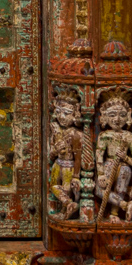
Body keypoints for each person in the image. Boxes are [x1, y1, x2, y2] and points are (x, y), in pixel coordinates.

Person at [95, 93, 132, 221]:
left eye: (122, 115)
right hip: (109, 165)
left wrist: (126, 158)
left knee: (120, 189)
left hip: (125, 168)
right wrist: (101, 174)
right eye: (112, 115)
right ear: (105, 116)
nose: (117, 119)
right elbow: (99, 156)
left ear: (128, 116)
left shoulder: (129, 136)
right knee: (98, 190)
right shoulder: (104, 136)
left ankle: (114, 214)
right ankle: (124, 205)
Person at [49, 91, 83, 219]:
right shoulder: (56, 130)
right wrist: (55, 151)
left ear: (75, 115)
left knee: (66, 189)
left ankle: (65, 210)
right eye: (59, 112)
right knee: (53, 186)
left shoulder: (75, 134)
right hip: (58, 163)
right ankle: (69, 204)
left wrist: (76, 176)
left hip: (69, 165)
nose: (62, 117)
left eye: (67, 113)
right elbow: (51, 154)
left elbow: (78, 157)